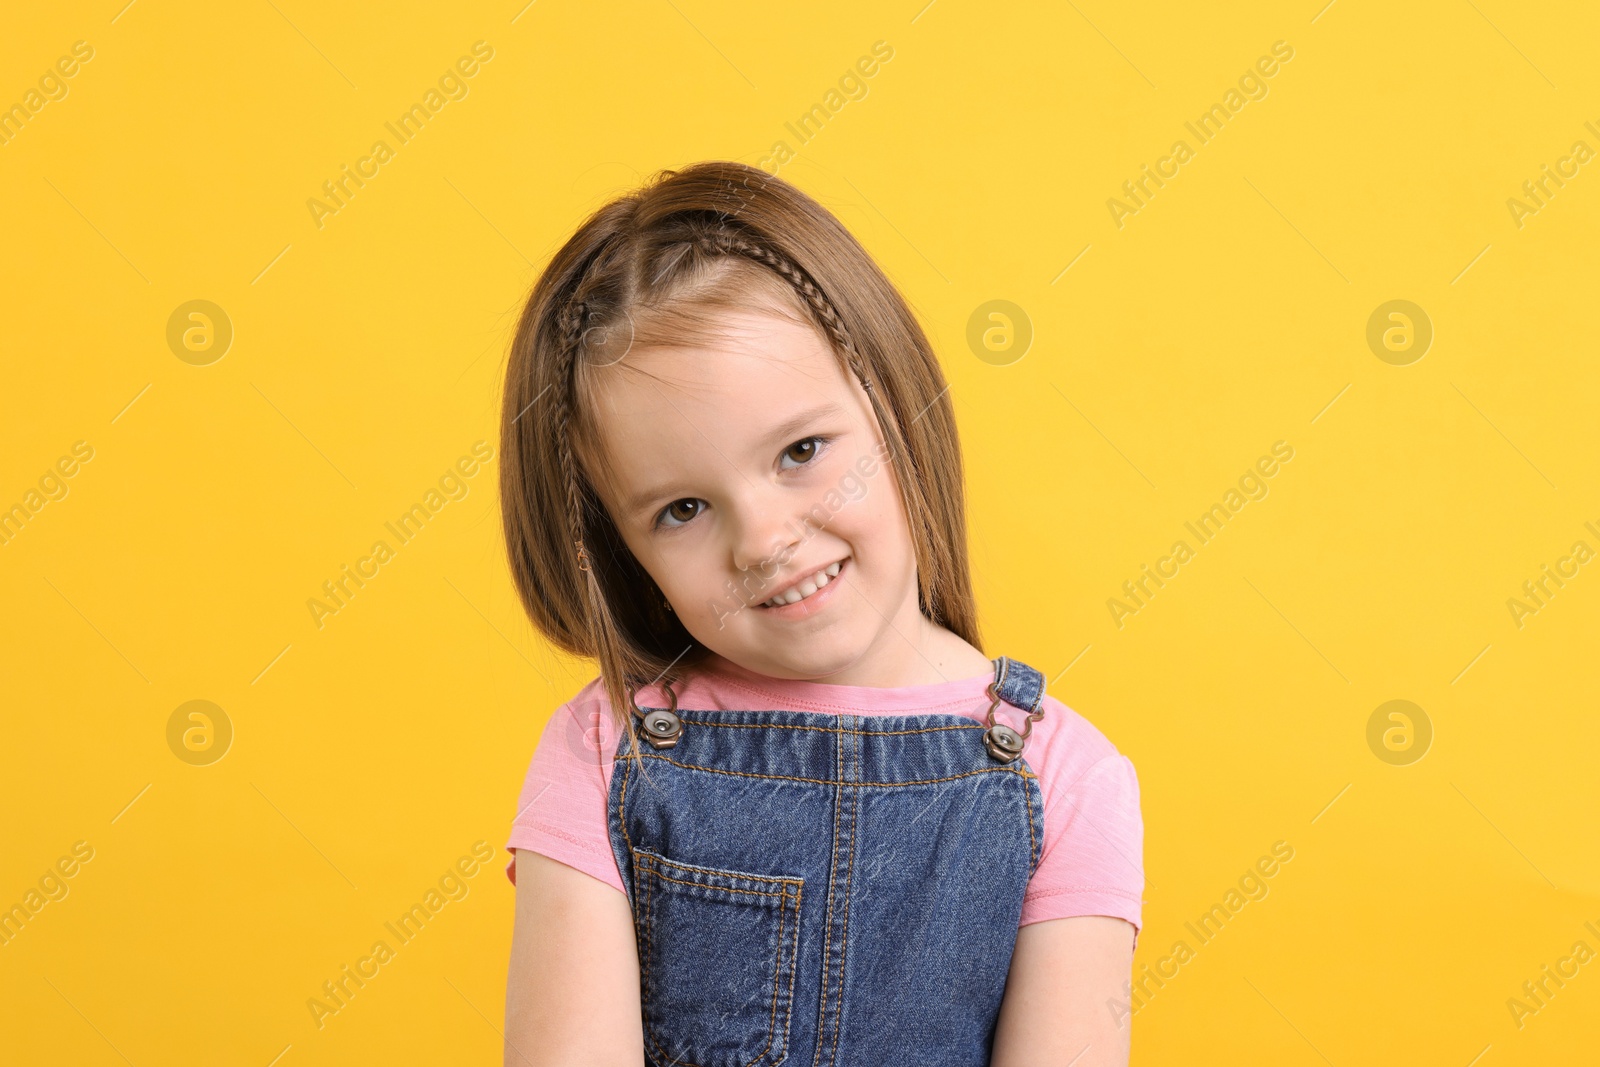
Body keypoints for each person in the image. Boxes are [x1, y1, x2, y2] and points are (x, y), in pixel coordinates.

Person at [497, 160, 1144, 1066]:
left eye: (801, 449)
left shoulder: (1068, 782)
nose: (762, 540)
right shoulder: (604, 754)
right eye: (682, 509)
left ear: (894, 401)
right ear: (624, 552)